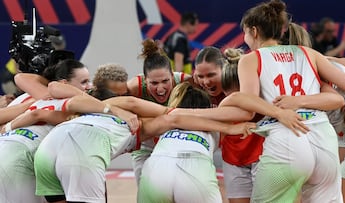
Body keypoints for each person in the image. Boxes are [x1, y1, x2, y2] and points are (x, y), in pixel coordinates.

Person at [219, 0, 345, 202]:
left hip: (286, 136)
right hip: (323, 137)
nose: (245, 38)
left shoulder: (250, 59)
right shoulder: (309, 53)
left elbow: (247, 107)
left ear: (254, 31)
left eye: (245, 33)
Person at [32, 82, 256, 203]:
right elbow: (173, 117)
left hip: (48, 149)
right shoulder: (139, 123)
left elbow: (51, 94)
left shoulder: (92, 111)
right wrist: (228, 127)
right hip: (83, 150)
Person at [0, 59, 95, 203]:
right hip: (19, 158)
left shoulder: (33, 97)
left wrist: (7, 128)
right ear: (64, 83)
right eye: (84, 82)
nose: (90, 86)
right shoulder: (74, 106)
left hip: (8, 147)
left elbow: (20, 78)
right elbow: (37, 114)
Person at [127, 38, 192, 184]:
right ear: (145, 81)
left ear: (172, 75)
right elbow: (112, 103)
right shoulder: (132, 88)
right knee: (146, 192)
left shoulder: (186, 82)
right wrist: (125, 113)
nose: (160, 88)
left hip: (177, 143)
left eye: (165, 81)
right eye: (154, 83)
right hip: (146, 146)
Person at [220, 47, 265, 203]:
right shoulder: (221, 104)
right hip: (233, 159)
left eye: (239, 92)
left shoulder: (264, 96)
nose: (235, 98)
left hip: (262, 156)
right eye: (230, 93)